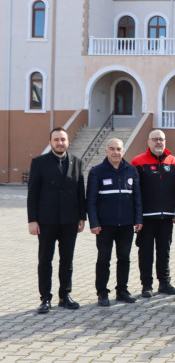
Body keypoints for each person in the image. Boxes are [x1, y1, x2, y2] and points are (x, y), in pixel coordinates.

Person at [27, 127, 86, 313]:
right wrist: (32, 220)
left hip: (69, 220)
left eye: (63, 139)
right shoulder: (39, 162)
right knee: (45, 260)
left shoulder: (76, 162)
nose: (60, 143)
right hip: (46, 221)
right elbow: (33, 194)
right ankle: (45, 298)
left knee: (67, 260)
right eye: (56, 140)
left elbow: (80, 191)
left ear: (68, 142)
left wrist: (82, 217)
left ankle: (65, 295)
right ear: (50, 142)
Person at [87, 138, 143, 306]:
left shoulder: (131, 170)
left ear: (123, 151)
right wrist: (94, 222)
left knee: (124, 258)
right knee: (104, 259)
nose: (115, 152)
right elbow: (91, 200)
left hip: (126, 225)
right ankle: (102, 292)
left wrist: (138, 219)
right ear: (106, 151)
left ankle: (122, 291)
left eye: (118, 149)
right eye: (112, 149)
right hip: (104, 226)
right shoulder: (97, 171)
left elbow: (137, 197)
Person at [130, 129, 175, 298]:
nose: (158, 142)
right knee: (145, 252)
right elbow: (134, 193)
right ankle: (146, 285)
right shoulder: (138, 162)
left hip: (167, 217)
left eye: (161, 139)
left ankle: (164, 283)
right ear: (148, 142)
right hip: (145, 219)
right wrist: (136, 217)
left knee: (164, 251)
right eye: (155, 139)